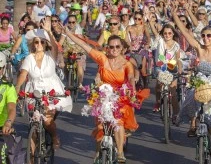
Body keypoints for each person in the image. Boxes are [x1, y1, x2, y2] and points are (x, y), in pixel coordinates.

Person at [62, 30, 148, 163]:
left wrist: (132, 91)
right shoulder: (103, 59)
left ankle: (120, 153)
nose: (114, 49)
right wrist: (67, 33)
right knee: (101, 126)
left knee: (118, 123)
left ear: (122, 48)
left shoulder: (127, 64)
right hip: (103, 96)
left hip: (120, 96)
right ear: (107, 48)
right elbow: (85, 46)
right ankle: (98, 152)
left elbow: (131, 77)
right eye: (111, 47)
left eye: (117, 47)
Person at [172, 6, 211, 164]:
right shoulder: (198, 48)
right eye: (203, 35)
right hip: (198, 83)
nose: (205, 38)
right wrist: (174, 14)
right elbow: (184, 32)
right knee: (190, 98)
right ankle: (193, 124)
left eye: (209, 35)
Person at [15, 23, 73, 150]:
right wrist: (17, 89)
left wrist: (48, 31)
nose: (39, 44)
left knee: (47, 121)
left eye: (42, 42)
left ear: (46, 44)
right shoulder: (29, 58)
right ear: (33, 44)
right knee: (33, 128)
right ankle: (30, 159)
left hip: (52, 93)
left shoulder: (50, 56)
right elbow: (23, 74)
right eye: (36, 42)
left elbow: (56, 48)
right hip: (34, 93)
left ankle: (54, 136)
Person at [149, 22, 182, 117]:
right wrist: (150, 21)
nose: (167, 35)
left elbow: (178, 59)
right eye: (165, 33)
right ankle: (158, 102)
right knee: (159, 86)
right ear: (162, 34)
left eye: (169, 33)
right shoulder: (160, 40)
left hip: (172, 68)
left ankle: (176, 114)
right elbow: (155, 32)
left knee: (173, 92)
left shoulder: (176, 45)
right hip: (160, 67)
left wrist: (179, 68)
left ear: (173, 34)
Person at [0, 52, 17, 135]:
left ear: (3, 68)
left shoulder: (8, 87)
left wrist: (8, 123)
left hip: (2, 128)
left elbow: (12, 108)